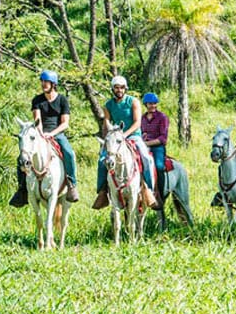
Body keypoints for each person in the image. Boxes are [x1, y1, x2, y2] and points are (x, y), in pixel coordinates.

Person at [9, 70, 79, 207]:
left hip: (57, 133)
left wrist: (52, 134)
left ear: (53, 84)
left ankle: (72, 184)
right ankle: (22, 189)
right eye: (42, 82)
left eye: (46, 82)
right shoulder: (37, 100)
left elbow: (65, 123)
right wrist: (41, 134)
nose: (43, 84)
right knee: (22, 157)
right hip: (39, 133)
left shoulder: (62, 100)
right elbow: (37, 120)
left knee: (68, 152)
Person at [92, 76, 159, 210]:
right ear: (113, 89)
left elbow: (137, 123)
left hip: (133, 136)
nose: (119, 90)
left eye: (122, 87)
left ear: (125, 88)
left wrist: (124, 135)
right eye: (116, 87)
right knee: (102, 160)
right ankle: (103, 191)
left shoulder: (133, 101)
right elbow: (106, 124)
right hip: (115, 139)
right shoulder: (108, 105)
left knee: (145, 157)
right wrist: (108, 138)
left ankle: (148, 189)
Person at [140, 92, 169, 207]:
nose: (153, 106)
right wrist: (142, 138)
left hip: (157, 147)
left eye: (155, 103)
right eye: (150, 103)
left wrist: (148, 143)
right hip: (144, 145)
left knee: (159, 166)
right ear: (146, 104)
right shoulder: (142, 118)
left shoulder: (162, 117)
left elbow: (163, 138)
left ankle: (160, 196)